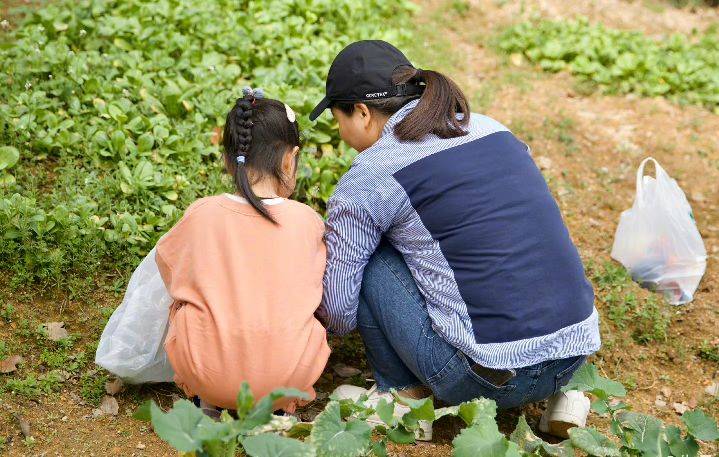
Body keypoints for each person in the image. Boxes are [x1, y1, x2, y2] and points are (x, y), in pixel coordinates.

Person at [310, 41, 600, 439]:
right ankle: (567, 396)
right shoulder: (491, 128)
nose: (340, 133)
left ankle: (403, 398)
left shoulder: (372, 176)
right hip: (572, 356)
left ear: (361, 113)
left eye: (337, 119)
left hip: (484, 380)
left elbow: (340, 314)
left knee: (371, 254)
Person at [155, 88, 329, 413]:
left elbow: (167, 267)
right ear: (290, 160)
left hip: (209, 376)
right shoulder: (307, 221)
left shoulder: (202, 213)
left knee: (182, 302)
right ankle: (280, 408)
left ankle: (207, 397)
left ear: (226, 159)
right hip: (287, 379)